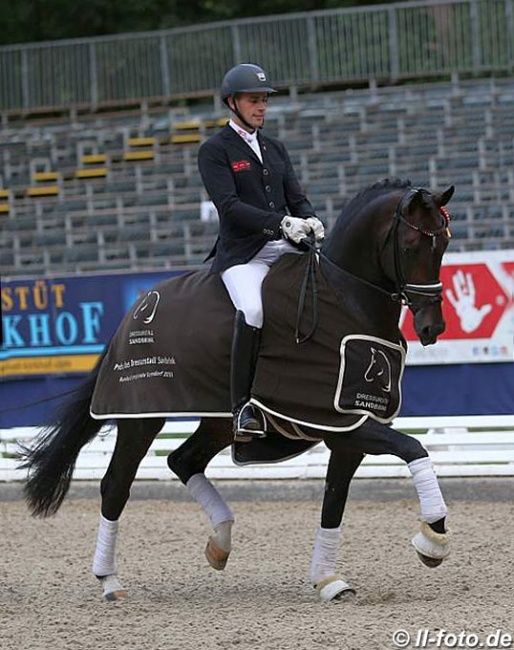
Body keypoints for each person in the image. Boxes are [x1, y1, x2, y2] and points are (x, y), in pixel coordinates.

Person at [197, 62, 325, 441]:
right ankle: (242, 408)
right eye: (254, 100)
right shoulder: (215, 151)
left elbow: (296, 198)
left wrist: (310, 219)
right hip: (243, 253)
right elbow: (230, 207)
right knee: (252, 309)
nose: (262, 107)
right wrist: (280, 223)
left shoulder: (274, 148)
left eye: (264, 100)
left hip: (285, 246)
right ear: (233, 103)